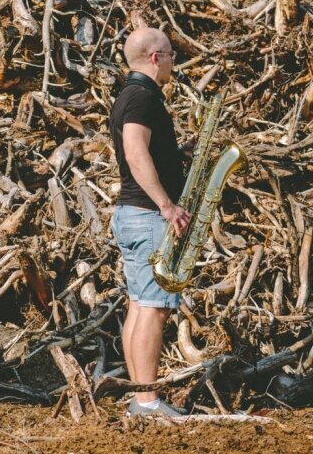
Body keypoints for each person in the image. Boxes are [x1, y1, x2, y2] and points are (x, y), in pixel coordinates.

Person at [109, 27, 192, 417]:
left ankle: (140, 397)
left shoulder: (130, 95)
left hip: (133, 215)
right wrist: (166, 205)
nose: (175, 61)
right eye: (172, 54)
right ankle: (147, 402)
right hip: (146, 215)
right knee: (155, 308)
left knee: (140, 305)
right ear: (155, 58)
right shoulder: (142, 97)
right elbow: (134, 150)